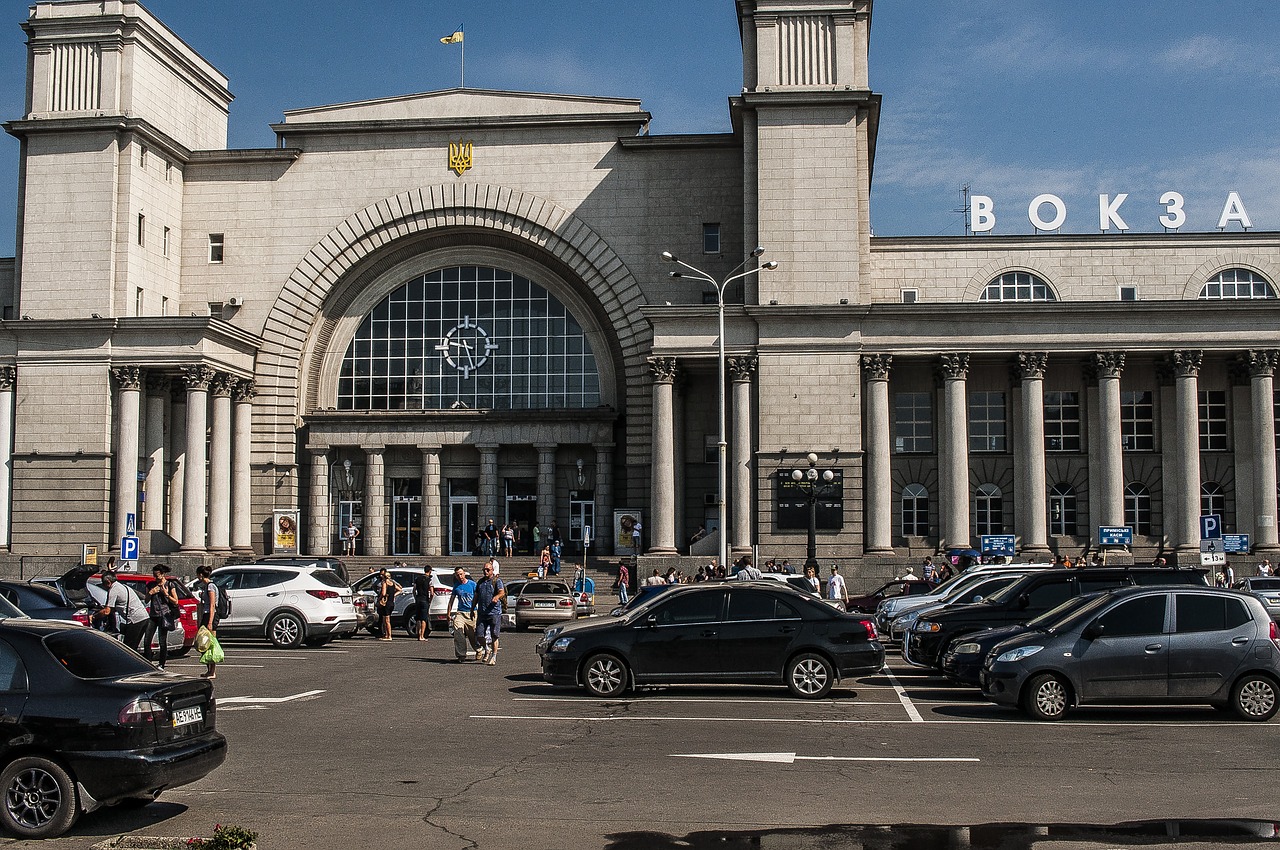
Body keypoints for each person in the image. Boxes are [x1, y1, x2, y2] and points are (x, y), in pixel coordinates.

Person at [99, 571, 149, 653]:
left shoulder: (113, 590)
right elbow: (117, 607)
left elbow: (107, 611)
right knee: (133, 647)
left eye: (103, 584)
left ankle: (128, 665)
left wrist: (93, 617)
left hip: (135, 620)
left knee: (127, 649)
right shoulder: (123, 586)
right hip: (144, 618)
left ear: (108, 582)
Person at [143, 563, 180, 669]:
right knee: (147, 640)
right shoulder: (150, 585)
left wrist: (166, 594)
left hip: (164, 615)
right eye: (154, 575)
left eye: (157, 575)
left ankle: (162, 664)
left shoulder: (169, 585)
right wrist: (150, 593)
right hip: (153, 615)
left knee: (162, 641)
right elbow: (146, 600)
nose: (156, 578)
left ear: (163, 574)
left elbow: (176, 602)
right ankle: (148, 662)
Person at [192, 565, 221, 679]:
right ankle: (209, 670)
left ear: (200, 575)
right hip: (206, 615)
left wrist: (210, 622)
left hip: (211, 616)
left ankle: (212, 671)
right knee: (204, 642)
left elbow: (212, 605)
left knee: (210, 643)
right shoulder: (206, 587)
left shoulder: (210, 587)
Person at [473, 561, 506, 665]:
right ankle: (487, 649)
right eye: (484, 570)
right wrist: (472, 608)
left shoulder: (497, 581)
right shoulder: (480, 582)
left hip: (494, 612)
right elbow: (476, 596)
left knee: (494, 635)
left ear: (492, 570)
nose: (485, 572)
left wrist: (496, 597)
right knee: (479, 635)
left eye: (488, 570)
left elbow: (502, 592)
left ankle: (494, 656)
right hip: (482, 612)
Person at [445, 566, 477, 662]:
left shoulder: (472, 584)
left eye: (461, 574)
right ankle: (461, 654)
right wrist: (448, 613)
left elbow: (478, 597)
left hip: (472, 612)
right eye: (458, 575)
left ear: (464, 574)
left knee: (473, 636)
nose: (460, 576)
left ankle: (479, 649)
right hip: (460, 612)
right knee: (458, 632)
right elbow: (451, 600)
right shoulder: (456, 586)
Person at [375, 568, 402, 641]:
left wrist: (379, 598)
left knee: (386, 620)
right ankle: (386, 635)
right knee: (386, 619)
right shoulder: (392, 583)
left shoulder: (384, 583)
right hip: (391, 602)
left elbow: (383, 593)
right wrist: (393, 595)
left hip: (386, 603)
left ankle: (389, 635)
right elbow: (400, 589)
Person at [412, 566, 434, 641]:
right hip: (425, 599)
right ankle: (422, 635)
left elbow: (414, 590)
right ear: (430, 571)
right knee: (424, 618)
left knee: (418, 618)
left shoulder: (417, 579)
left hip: (418, 599)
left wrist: (416, 597)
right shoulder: (429, 580)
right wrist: (430, 600)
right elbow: (432, 593)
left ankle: (418, 634)